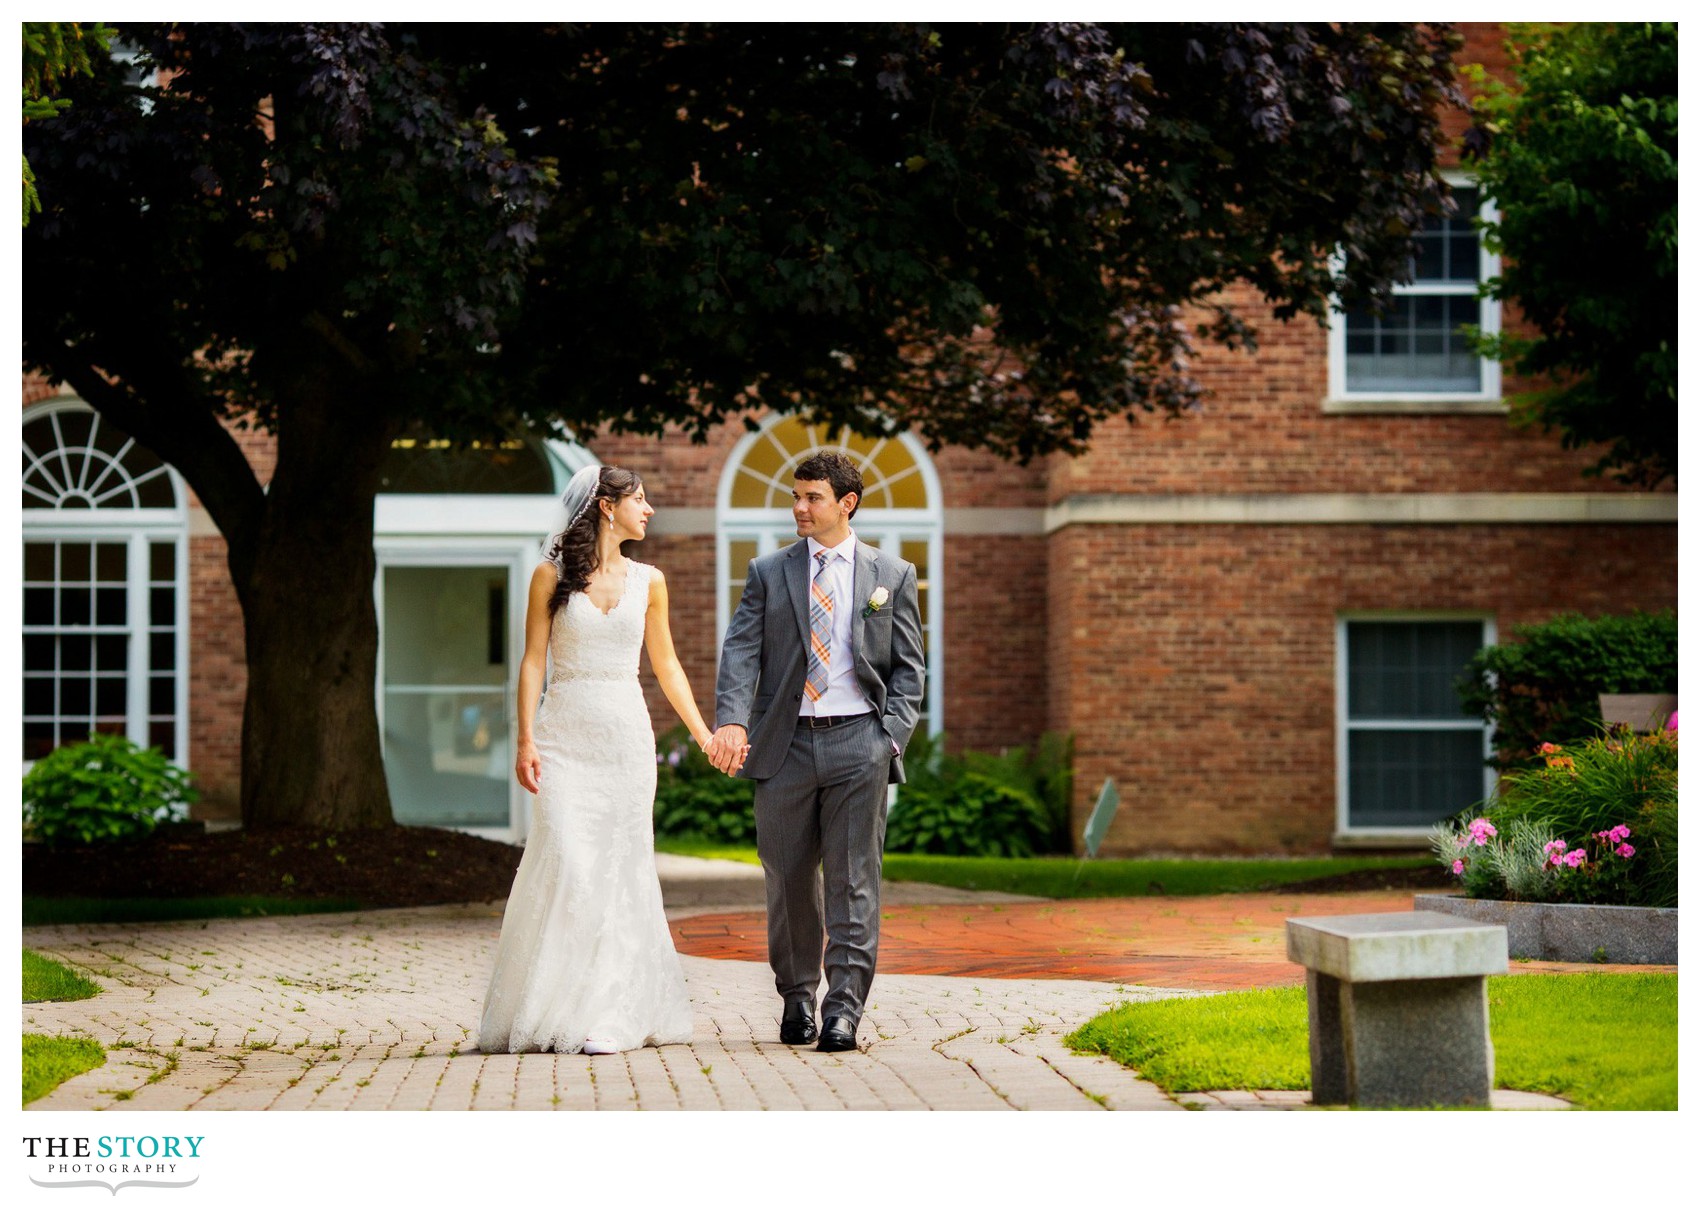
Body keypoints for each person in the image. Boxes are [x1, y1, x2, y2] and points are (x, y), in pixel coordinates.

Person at [479, 464, 731, 1056]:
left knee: (619, 872)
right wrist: (525, 739)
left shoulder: (652, 581)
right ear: (605, 507)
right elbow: (532, 662)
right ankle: (550, 1005)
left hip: (625, 743)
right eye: (640, 500)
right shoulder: (550, 576)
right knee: (569, 861)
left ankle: (612, 1014)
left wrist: (702, 733)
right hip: (564, 739)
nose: (650, 510)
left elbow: (666, 666)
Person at [705, 449, 927, 1053]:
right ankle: (797, 997)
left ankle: (844, 1010)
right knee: (788, 877)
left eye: (812, 498)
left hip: (860, 741)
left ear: (845, 504)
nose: (799, 508)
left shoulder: (893, 576)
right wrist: (731, 721)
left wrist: (890, 737)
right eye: (795, 497)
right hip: (786, 744)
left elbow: (909, 669)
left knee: (854, 881)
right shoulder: (769, 571)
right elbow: (741, 651)